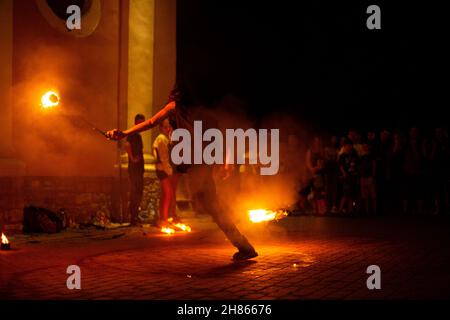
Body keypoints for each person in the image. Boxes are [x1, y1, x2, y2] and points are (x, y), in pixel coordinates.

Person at [106, 82, 258, 261]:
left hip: (197, 162)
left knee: (212, 205)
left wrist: (124, 133)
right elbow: (217, 136)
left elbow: (151, 122)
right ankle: (242, 242)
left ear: (177, 95)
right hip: (201, 162)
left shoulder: (176, 107)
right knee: (210, 203)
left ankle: (244, 245)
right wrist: (223, 161)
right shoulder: (203, 111)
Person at [153, 118, 179, 226]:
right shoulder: (161, 139)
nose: (168, 129)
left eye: (169, 127)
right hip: (162, 170)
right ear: (160, 128)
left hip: (164, 169)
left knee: (166, 194)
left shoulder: (166, 138)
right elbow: (163, 158)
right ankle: (163, 219)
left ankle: (165, 217)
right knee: (168, 194)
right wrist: (169, 171)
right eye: (165, 127)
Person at [124, 114, 145, 226]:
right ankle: (133, 217)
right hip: (134, 169)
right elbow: (127, 145)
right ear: (136, 122)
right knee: (135, 192)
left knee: (138, 192)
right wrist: (132, 158)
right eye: (141, 122)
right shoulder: (132, 134)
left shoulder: (138, 135)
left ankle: (135, 216)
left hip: (139, 168)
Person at [338, 139, 359, 214]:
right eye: (347, 145)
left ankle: (350, 211)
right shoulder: (342, 156)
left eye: (350, 145)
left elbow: (356, 164)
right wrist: (344, 173)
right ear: (345, 146)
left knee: (352, 195)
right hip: (346, 178)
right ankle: (340, 210)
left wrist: (355, 170)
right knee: (346, 194)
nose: (349, 147)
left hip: (353, 176)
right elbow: (340, 166)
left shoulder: (354, 155)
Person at [359, 141, 377, 215]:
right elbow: (360, 166)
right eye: (364, 146)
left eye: (366, 146)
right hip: (363, 177)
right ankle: (367, 211)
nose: (365, 147)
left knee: (373, 195)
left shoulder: (372, 155)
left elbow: (374, 165)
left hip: (369, 176)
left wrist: (373, 175)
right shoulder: (362, 156)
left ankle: (375, 211)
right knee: (365, 195)